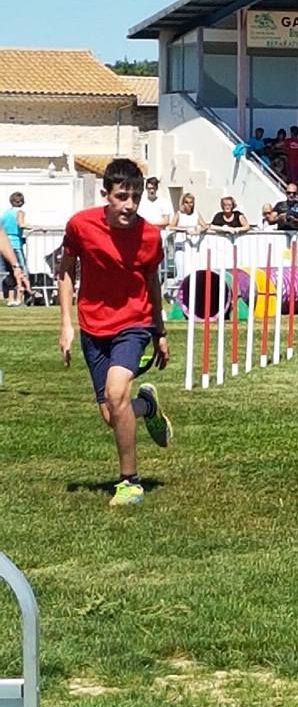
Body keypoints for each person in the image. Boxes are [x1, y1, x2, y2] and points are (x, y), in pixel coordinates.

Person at [57, 159, 173, 509]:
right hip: (94, 326)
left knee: (116, 391)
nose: (130, 205)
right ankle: (148, 406)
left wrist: (160, 331)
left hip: (134, 323)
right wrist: (66, 324)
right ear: (106, 194)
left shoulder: (150, 236)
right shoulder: (80, 226)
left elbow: (152, 282)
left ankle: (130, 483)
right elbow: (65, 272)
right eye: (122, 196)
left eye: (135, 197)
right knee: (112, 413)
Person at [170, 192, 208, 280]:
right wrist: (185, 230)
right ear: (183, 203)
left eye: (191, 202)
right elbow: (171, 226)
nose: (189, 204)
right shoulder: (179, 214)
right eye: (187, 202)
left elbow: (205, 226)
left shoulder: (196, 214)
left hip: (194, 246)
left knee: (193, 269)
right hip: (181, 245)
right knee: (182, 270)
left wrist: (199, 230)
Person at [1, 192, 29, 306]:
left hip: (4, 245)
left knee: (9, 272)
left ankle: (10, 299)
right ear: (22, 202)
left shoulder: (5, 213)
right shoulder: (20, 212)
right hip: (15, 245)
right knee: (21, 270)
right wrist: (36, 227)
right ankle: (20, 298)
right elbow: (21, 224)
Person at [0, 223, 29, 304]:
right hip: (15, 247)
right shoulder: (20, 212)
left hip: (10, 249)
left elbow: (1, 237)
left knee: (13, 277)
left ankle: (16, 298)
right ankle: (15, 298)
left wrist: (16, 267)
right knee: (14, 278)